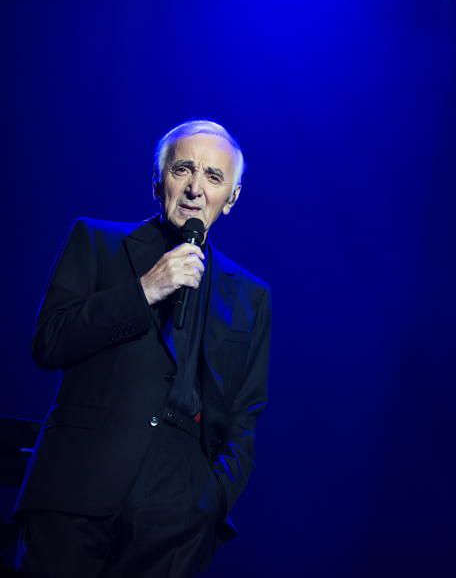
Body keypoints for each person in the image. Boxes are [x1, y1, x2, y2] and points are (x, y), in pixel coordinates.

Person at [13, 121, 272, 577]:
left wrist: (211, 499)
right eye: (183, 169)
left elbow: (245, 413)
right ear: (158, 180)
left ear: (230, 198)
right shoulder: (96, 241)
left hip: (179, 505)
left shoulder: (251, 295)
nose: (195, 187)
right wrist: (145, 289)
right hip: (79, 480)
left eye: (213, 177)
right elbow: (48, 343)